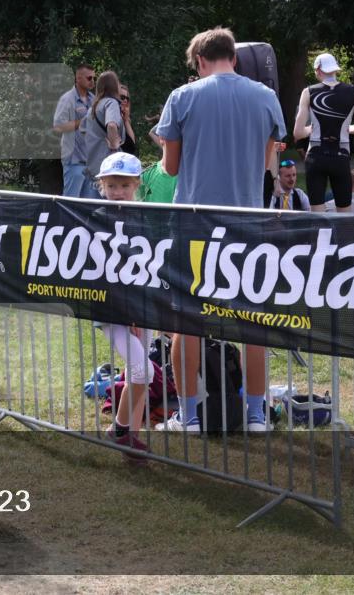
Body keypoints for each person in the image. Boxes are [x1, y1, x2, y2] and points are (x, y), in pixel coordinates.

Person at [155, 26, 286, 434]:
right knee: (252, 321)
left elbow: (170, 168)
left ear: (199, 61)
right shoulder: (266, 98)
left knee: (186, 321)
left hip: (194, 224)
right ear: (234, 56)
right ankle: (255, 414)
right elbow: (268, 161)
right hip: (248, 224)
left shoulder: (183, 96)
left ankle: (189, 415)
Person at [94, 152, 153, 459]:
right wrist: (127, 311)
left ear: (136, 185)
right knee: (142, 369)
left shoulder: (143, 218)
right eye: (112, 185)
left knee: (141, 373)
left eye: (124, 185)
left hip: (141, 307)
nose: (118, 191)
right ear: (102, 186)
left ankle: (129, 434)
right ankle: (119, 431)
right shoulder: (95, 219)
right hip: (112, 311)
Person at [293, 52, 354, 212]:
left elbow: (298, 133)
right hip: (340, 155)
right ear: (334, 70)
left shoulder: (308, 92)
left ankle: (320, 237)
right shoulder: (352, 91)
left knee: (317, 213)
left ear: (319, 70)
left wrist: (310, 129)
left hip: (316, 155)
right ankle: (343, 237)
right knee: (344, 212)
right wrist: (348, 129)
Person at [54, 65, 96, 198]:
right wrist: (82, 122)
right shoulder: (67, 99)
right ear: (78, 78)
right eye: (89, 78)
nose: (93, 81)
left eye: (94, 78)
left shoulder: (93, 99)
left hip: (90, 162)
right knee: (70, 202)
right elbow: (58, 127)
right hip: (74, 160)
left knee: (87, 205)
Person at [81, 71, 125, 191]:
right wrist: (115, 147)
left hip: (92, 165)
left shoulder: (93, 108)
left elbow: (83, 130)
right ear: (113, 86)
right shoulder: (111, 103)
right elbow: (111, 125)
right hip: (108, 165)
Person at [119, 84, 137, 155]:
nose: (125, 100)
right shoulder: (112, 117)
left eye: (127, 98)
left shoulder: (126, 118)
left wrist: (126, 120)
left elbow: (132, 143)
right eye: (122, 97)